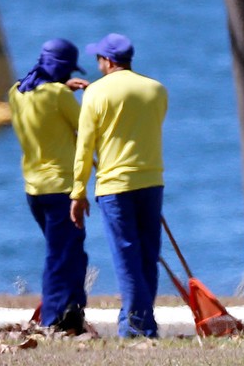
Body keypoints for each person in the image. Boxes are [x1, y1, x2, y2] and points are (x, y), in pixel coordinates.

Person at [69, 33, 168, 338]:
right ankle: (142, 322)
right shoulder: (156, 89)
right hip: (151, 181)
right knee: (148, 256)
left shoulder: (95, 94)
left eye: (98, 59)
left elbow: (85, 147)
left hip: (114, 185)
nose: (97, 64)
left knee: (127, 257)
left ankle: (135, 327)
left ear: (108, 61)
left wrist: (77, 192)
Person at [8, 38, 90, 333]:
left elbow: (43, 107)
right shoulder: (59, 96)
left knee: (71, 251)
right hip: (61, 189)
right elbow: (86, 127)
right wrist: (88, 95)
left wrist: (62, 89)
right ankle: (53, 317)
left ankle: (72, 312)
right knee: (60, 254)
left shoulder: (15, 93)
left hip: (34, 189)